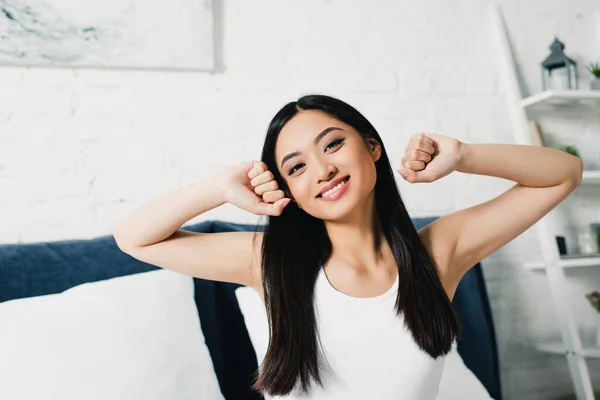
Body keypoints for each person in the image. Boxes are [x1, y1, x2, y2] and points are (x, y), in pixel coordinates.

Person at [113, 94, 582, 400]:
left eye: (332, 144)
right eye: (296, 168)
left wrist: (463, 156)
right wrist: (218, 186)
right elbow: (133, 238)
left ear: (372, 147)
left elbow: (564, 173)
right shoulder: (267, 262)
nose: (321, 170)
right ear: (289, 191)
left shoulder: (438, 252)